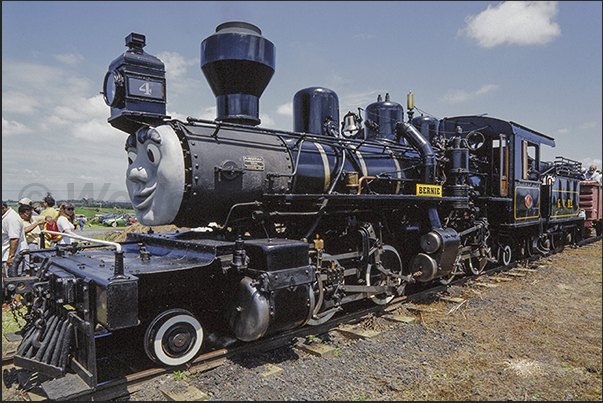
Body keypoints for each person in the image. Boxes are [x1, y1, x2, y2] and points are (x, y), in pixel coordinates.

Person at [2, 201, 28, 277]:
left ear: (3, 208)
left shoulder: (11, 218)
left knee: (13, 282)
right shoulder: (5, 216)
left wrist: (11, 257)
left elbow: (14, 239)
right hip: (5, 255)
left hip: (11, 257)